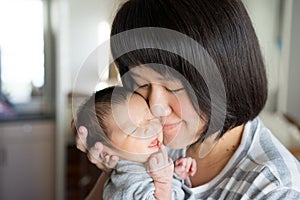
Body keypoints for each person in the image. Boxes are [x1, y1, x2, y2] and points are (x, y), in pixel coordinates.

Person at [72, 0, 300, 199]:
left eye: (174, 86)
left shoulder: (276, 189)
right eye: (141, 85)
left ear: (225, 76)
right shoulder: (156, 140)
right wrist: (120, 170)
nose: (156, 108)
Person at [75, 86, 196, 200]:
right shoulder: (127, 184)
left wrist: (176, 175)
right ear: (105, 151)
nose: (151, 129)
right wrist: (164, 183)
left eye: (151, 118)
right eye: (134, 130)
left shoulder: (144, 164)